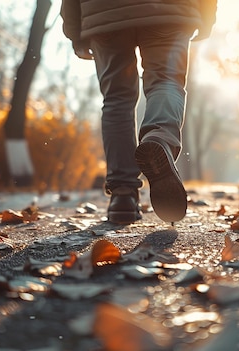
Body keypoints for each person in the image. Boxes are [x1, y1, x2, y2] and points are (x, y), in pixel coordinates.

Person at [61, 0, 217, 224]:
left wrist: (74, 30)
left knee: (116, 98)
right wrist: (207, 13)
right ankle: (160, 137)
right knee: (165, 81)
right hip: (170, 10)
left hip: (104, 13)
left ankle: (122, 195)